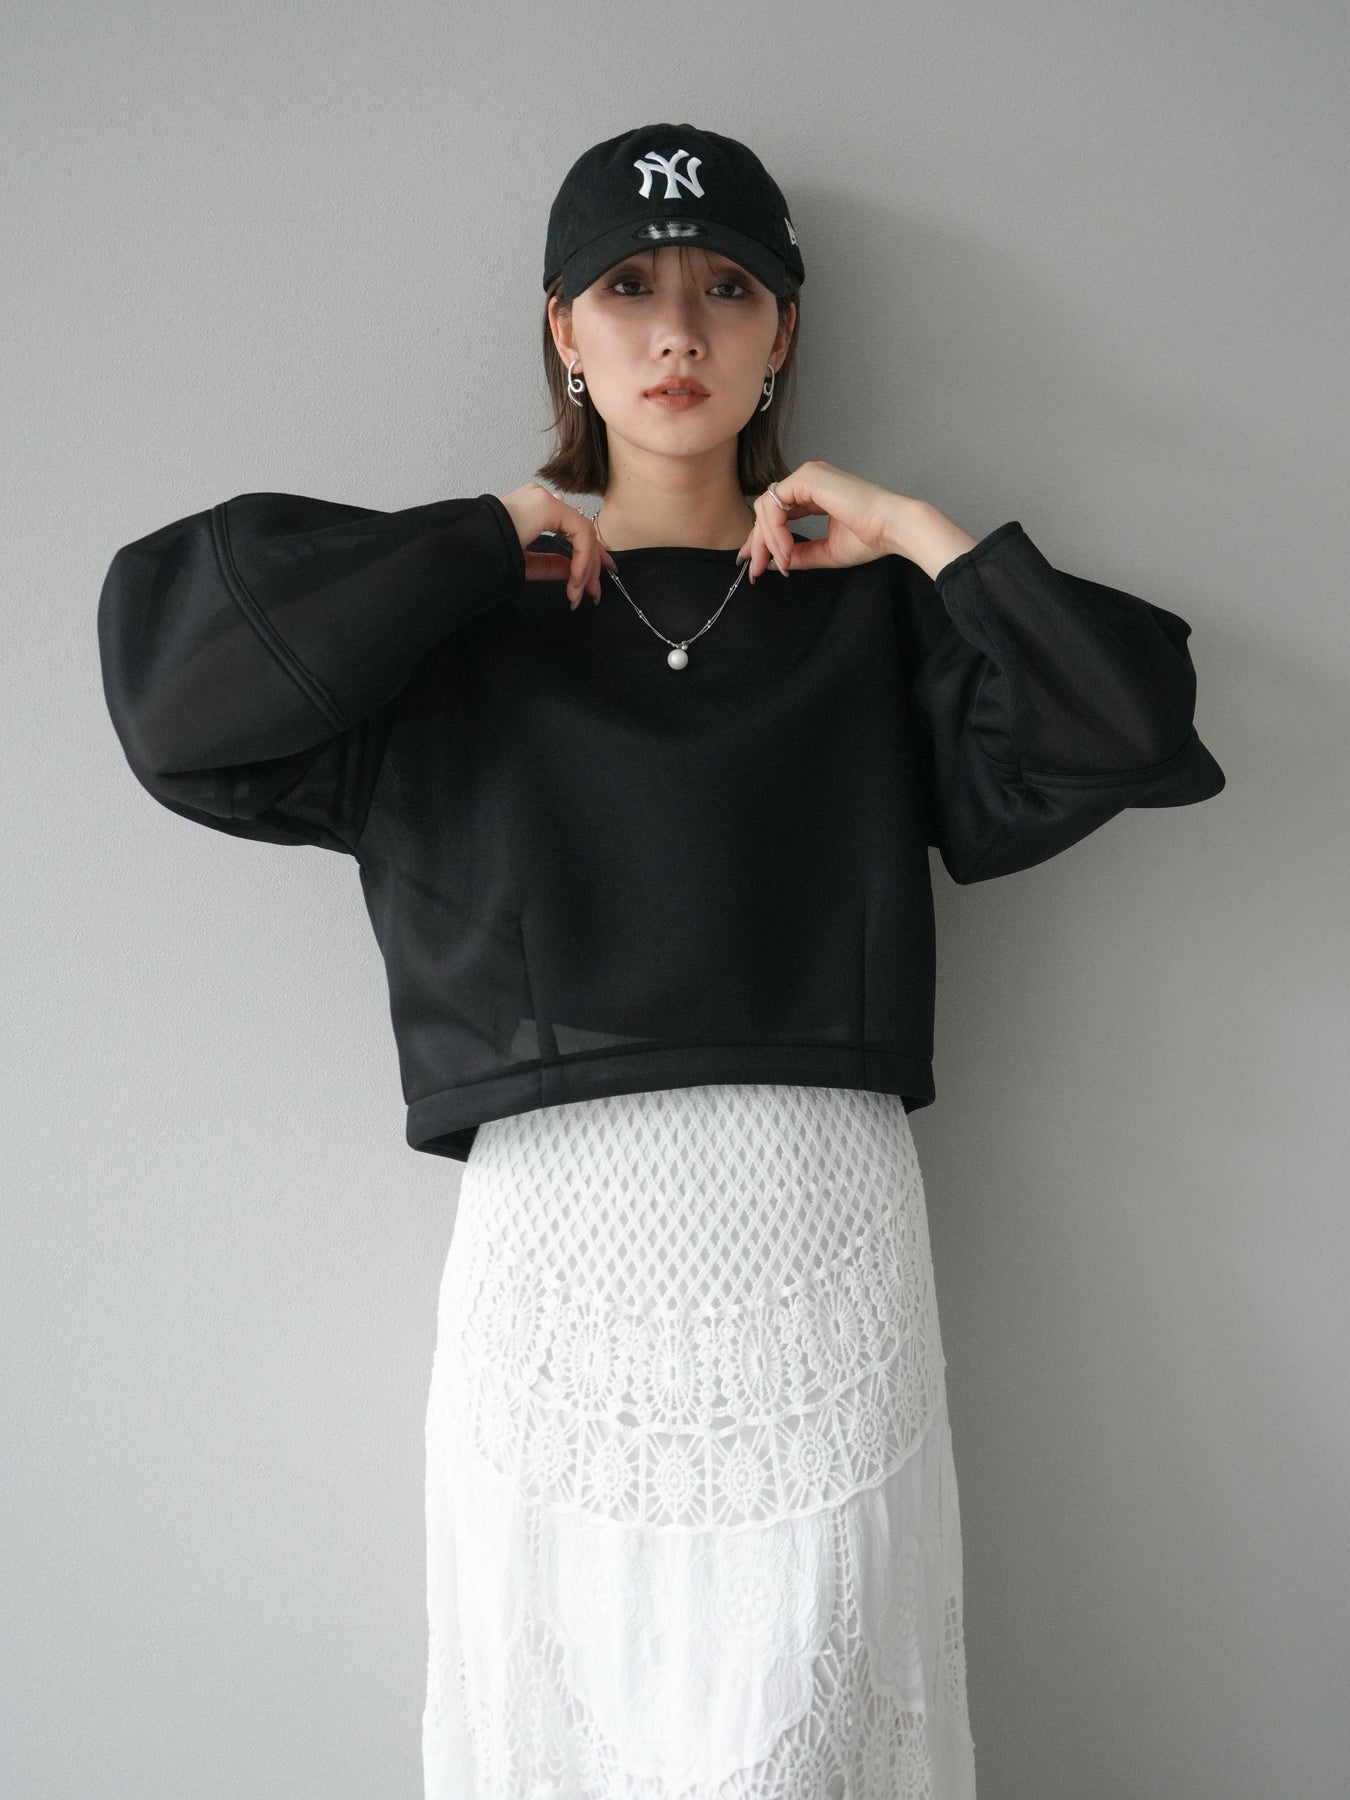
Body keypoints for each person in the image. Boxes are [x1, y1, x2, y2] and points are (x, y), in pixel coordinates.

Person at [98, 122, 1225, 1800]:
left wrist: (918, 531)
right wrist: (479, 536)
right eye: (627, 288)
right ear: (562, 327)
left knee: (811, 1731)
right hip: (560, 1253)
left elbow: (1129, 726)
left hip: (818, 1230)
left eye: (727, 291)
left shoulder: (875, 618)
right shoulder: (449, 623)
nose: (678, 333)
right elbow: (180, 705)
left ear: (784, 332)